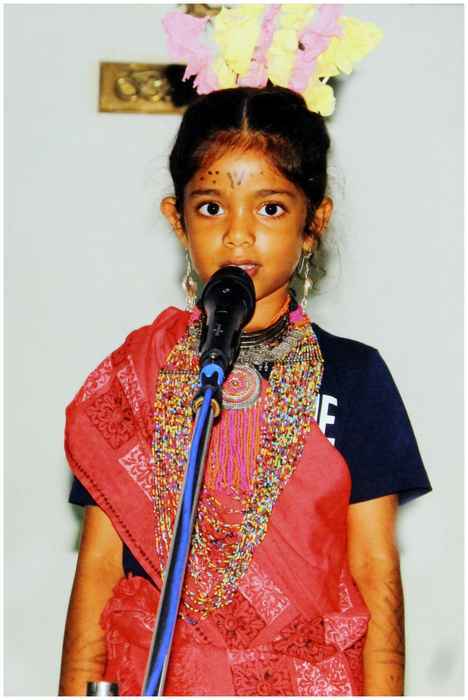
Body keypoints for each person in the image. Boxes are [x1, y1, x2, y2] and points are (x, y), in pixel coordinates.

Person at [60, 9, 431, 698]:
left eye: (270, 208)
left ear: (314, 222)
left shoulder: (357, 377)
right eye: (211, 207)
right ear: (177, 219)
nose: (237, 236)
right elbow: (99, 572)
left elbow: (376, 572)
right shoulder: (134, 380)